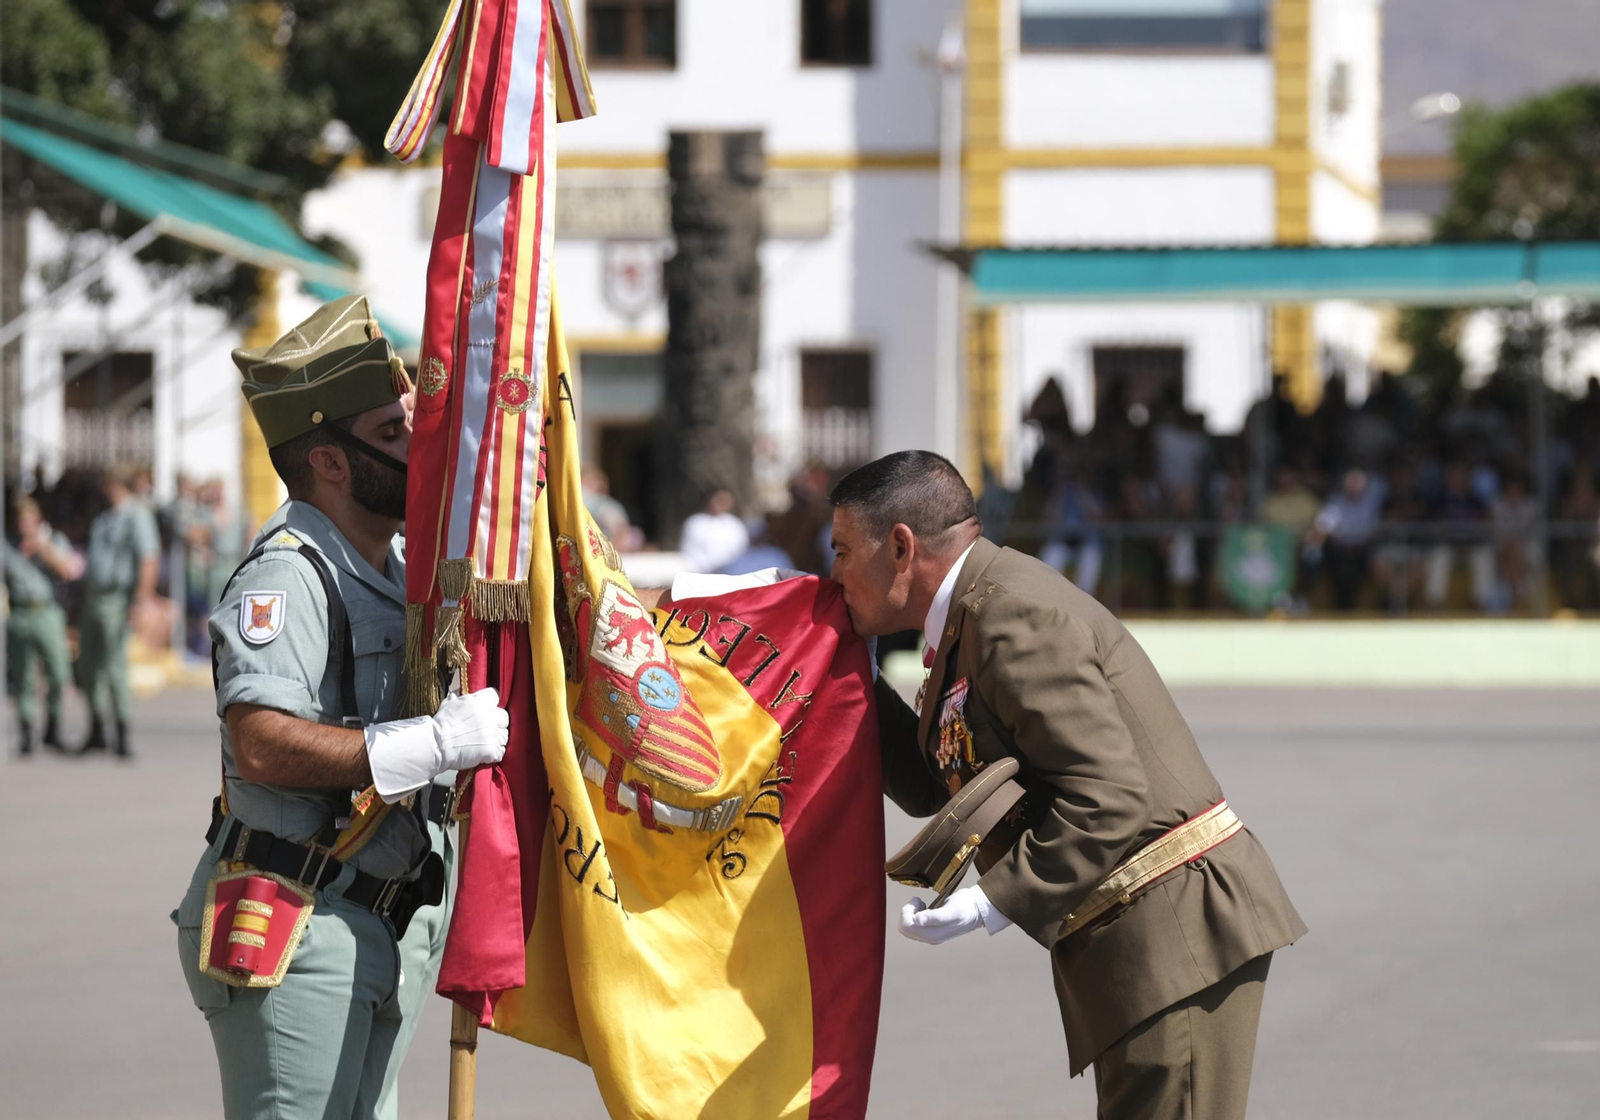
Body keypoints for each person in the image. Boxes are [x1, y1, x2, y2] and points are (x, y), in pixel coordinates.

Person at [829, 450, 1305, 1120]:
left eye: (843, 549)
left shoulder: (1010, 616)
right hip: (1136, 938)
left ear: (901, 547)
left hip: (1173, 929)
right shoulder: (974, 612)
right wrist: (844, 672)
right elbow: (934, 782)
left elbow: (1107, 794)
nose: (836, 573)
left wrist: (991, 902)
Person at [171, 295, 510, 1120]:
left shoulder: (397, 566)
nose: (414, 449)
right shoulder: (290, 573)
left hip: (383, 917)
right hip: (300, 917)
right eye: (391, 436)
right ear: (328, 460)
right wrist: (428, 745)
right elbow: (259, 742)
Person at [76, 465, 160, 756]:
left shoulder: (136, 515)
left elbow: (149, 559)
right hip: (94, 599)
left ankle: (122, 732)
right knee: (90, 666)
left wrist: (140, 600)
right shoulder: (104, 516)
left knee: (113, 666)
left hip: (116, 599)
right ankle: (97, 728)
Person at [4, 495, 83, 754]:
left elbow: (70, 570)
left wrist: (44, 550)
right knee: (23, 676)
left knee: (58, 672)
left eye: (29, 520)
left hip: (47, 611)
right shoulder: (8, 547)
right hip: (20, 613)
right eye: (20, 521)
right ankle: (27, 731)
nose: (24, 526)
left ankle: (53, 728)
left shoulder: (52, 541)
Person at [678, 488, 749, 573]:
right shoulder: (695, 522)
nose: (721, 504)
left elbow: (740, 550)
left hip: (729, 573)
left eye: (725, 501)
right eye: (718, 500)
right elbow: (689, 550)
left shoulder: (735, 525)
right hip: (699, 572)